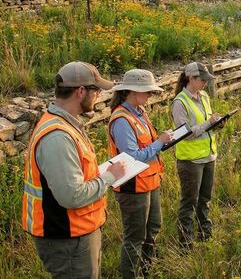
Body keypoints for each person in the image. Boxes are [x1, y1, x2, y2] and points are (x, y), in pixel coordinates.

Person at [21, 61, 125, 279]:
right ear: (81, 92)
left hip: (75, 232)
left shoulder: (65, 124)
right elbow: (72, 195)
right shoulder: (58, 136)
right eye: (96, 90)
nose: (98, 96)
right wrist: (109, 177)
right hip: (67, 238)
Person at [108, 69, 173, 278]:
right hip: (132, 187)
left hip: (149, 182)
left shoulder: (139, 112)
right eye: (148, 92)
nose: (150, 96)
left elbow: (148, 145)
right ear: (134, 91)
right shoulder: (121, 120)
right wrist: (160, 142)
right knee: (134, 238)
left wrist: (162, 142)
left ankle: (146, 271)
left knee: (153, 227)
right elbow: (133, 156)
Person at [171, 62, 221, 248]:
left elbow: (205, 124)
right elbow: (187, 133)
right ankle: (186, 245)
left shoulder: (204, 96)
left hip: (208, 156)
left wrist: (217, 123)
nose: (205, 83)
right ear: (190, 78)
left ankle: (205, 236)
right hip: (190, 160)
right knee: (189, 203)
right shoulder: (179, 102)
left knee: (205, 200)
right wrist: (209, 123)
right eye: (202, 80)